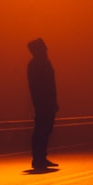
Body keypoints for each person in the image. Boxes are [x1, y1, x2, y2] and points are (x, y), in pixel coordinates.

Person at [27, 38, 59, 170]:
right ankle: (38, 158)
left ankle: (41, 157)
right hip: (42, 102)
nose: (46, 49)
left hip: (47, 102)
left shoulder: (43, 63)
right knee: (41, 130)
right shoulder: (36, 64)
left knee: (46, 129)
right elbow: (37, 86)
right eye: (44, 47)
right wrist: (42, 102)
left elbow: (51, 84)